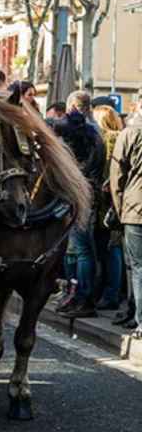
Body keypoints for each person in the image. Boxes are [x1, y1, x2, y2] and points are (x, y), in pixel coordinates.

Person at [52, 91, 106, 318]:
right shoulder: (94, 131)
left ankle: (84, 297)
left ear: (74, 106)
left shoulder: (85, 131)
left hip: (79, 193)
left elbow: (82, 165)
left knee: (82, 249)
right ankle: (76, 294)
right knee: (74, 250)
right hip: (83, 192)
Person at [110, 109, 142, 336]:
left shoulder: (129, 134)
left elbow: (117, 176)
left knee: (138, 267)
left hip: (135, 208)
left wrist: (119, 208)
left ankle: (140, 319)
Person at [94, 105, 126, 311]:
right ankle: (111, 291)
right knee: (111, 249)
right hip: (114, 201)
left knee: (110, 249)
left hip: (108, 203)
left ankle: (110, 293)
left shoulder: (108, 138)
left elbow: (112, 171)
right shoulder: (119, 136)